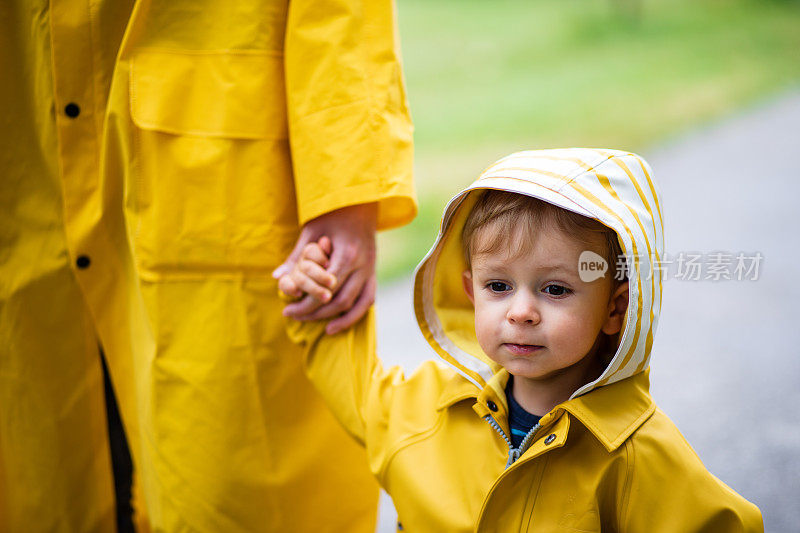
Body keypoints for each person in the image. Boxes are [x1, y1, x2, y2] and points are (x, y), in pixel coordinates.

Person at [1, 0, 415, 531]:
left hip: (222, 182)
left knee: (232, 488)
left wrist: (347, 195)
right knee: (48, 474)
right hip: (27, 176)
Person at [279, 148, 764, 531]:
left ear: (616, 309)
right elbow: (353, 384)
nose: (521, 312)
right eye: (498, 286)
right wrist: (315, 294)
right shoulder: (425, 414)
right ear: (471, 291)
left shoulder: (638, 457)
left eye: (555, 289)